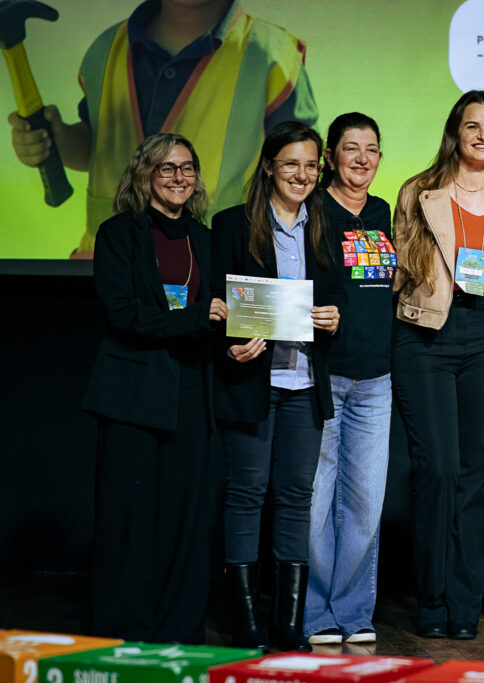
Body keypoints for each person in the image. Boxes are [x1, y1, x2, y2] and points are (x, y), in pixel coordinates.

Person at [391, 90, 484, 640]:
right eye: (472, 125)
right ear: (454, 131)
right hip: (426, 335)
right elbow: (400, 263)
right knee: (438, 470)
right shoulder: (418, 191)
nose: (483, 135)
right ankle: (431, 599)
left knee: (478, 476)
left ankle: (463, 606)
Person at [8, 0, 317, 257]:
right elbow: (94, 146)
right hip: (108, 268)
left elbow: (297, 182)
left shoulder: (272, 57)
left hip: (213, 270)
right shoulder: (105, 50)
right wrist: (57, 140)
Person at [83, 133, 226, 642]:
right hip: (132, 393)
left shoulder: (205, 240)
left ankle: (179, 629)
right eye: (166, 168)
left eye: (187, 168)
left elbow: (219, 319)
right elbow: (122, 315)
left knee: (185, 520)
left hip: (190, 389)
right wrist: (194, 319)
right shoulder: (118, 233)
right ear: (144, 174)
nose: (178, 178)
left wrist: (235, 343)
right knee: (130, 519)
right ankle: (125, 629)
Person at [211, 121, 340, 652]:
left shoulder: (327, 226)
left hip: (305, 382)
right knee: (245, 495)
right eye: (291, 163)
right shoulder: (231, 225)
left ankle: (289, 627)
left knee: (296, 499)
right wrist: (228, 344)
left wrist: (334, 319)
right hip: (252, 379)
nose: (302, 174)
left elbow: (338, 304)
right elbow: (217, 310)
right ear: (269, 166)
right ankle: (245, 621)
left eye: (311, 165)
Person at [303, 113, 393, 646]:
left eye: (372, 149)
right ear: (331, 156)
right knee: (316, 500)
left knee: (364, 500)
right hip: (323, 373)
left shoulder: (382, 211)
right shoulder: (312, 209)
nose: (362, 159)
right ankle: (315, 615)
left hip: (376, 376)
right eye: (351, 148)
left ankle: (354, 612)